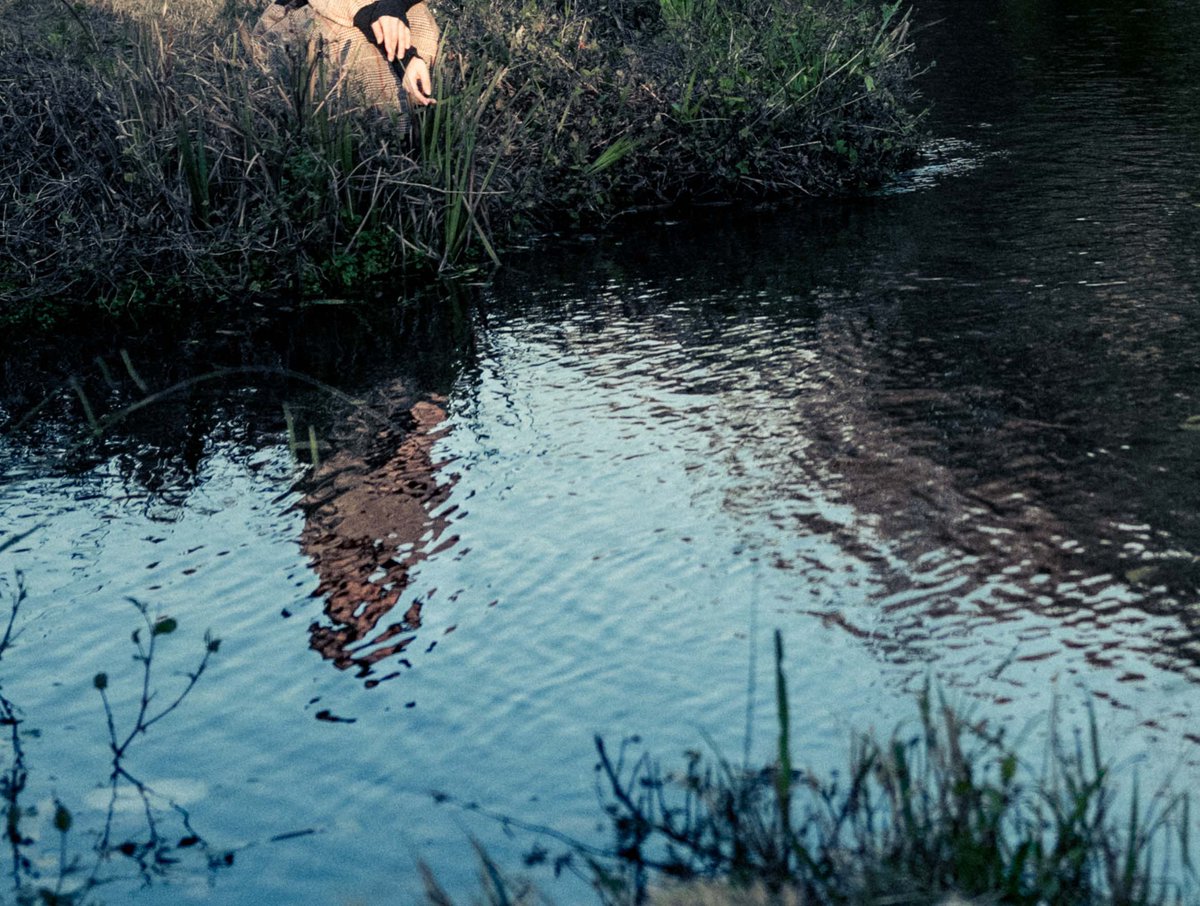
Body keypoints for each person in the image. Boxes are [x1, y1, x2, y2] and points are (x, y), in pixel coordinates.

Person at [255, 0, 439, 123]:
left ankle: (421, 129)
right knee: (349, 41)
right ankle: (372, 144)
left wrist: (391, 6)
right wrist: (405, 55)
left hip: (378, 4)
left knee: (419, 20)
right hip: (306, 8)